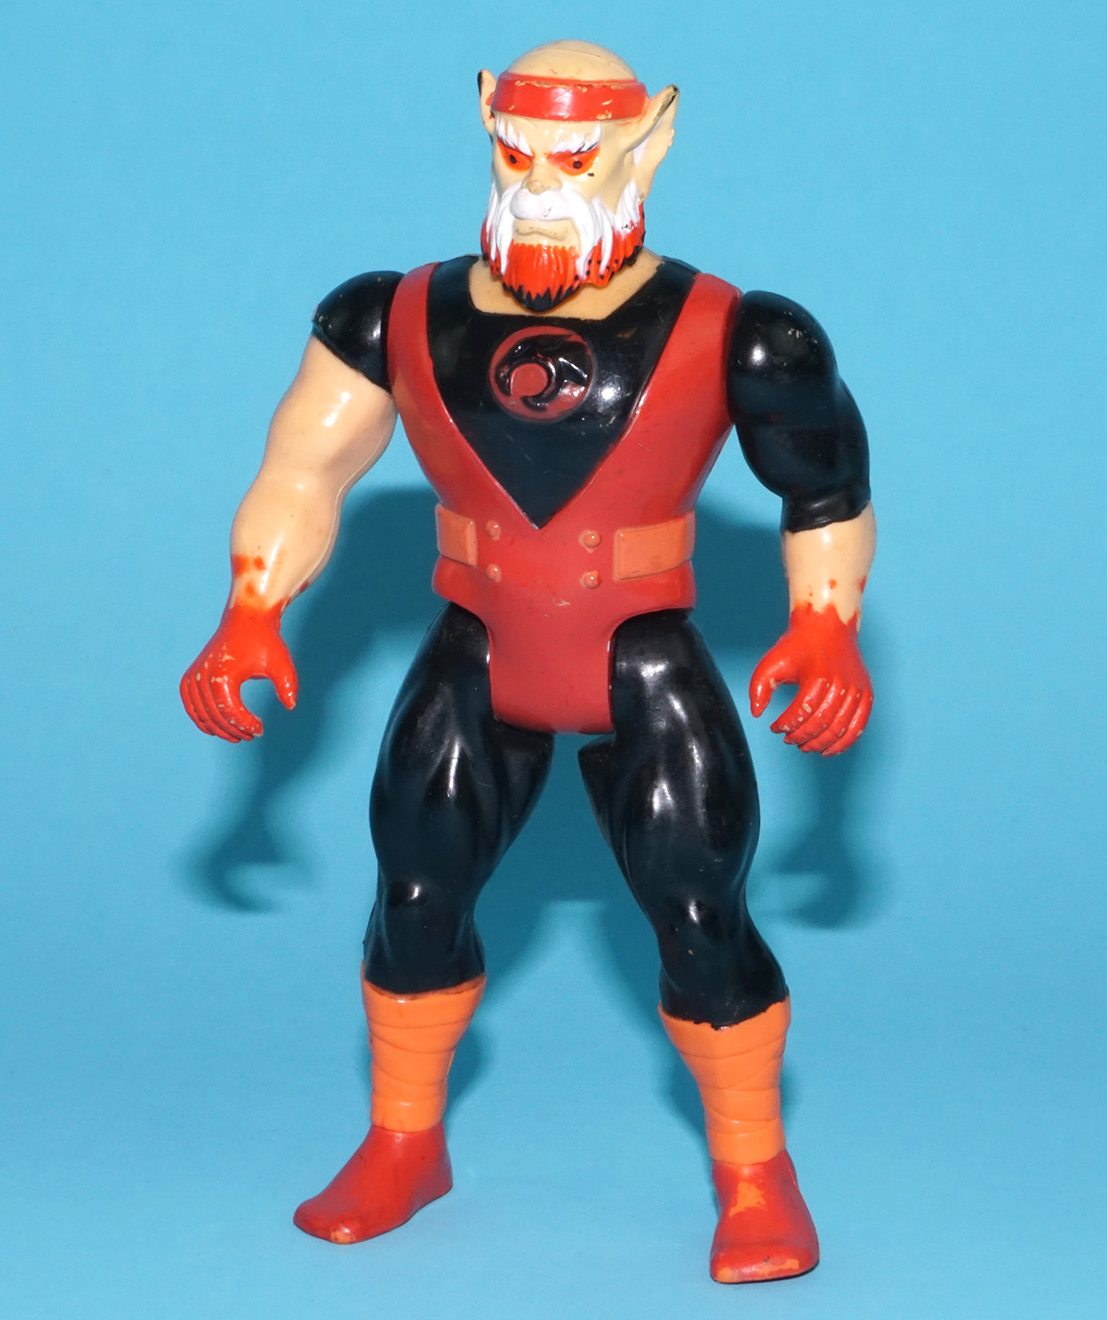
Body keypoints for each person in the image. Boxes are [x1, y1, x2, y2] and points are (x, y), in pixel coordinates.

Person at [180, 39, 875, 1284]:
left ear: (648, 143)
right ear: (484, 131)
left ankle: (754, 1171)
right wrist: (251, 607)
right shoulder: (391, 317)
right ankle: (403, 1141)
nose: (543, 183)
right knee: (413, 894)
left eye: (576, 158)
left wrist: (825, 623)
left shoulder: (742, 334)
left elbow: (823, 487)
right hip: (478, 643)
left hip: (640, 655)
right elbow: (303, 470)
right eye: (518, 154)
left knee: (699, 913)